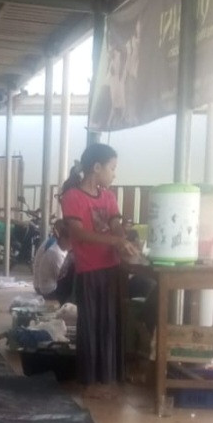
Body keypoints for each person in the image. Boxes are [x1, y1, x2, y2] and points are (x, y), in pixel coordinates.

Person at [59, 144, 137, 397]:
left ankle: (109, 378)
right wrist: (116, 242)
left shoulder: (108, 197)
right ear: (97, 167)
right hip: (89, 269)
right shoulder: (73, 196)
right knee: (91, 325)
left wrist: (124, 242)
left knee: (110, 324)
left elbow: (115, 224)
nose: (114, 174)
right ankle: (90, 382)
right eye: (112, 168)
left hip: (112, 268)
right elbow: (78, 232)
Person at [31, 220, 71, 300]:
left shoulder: (56, 246)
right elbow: (62, 278)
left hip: (43, 284)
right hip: (47, 289)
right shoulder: (54, 250)